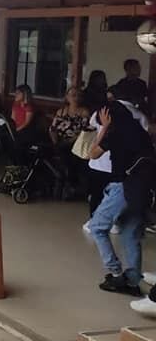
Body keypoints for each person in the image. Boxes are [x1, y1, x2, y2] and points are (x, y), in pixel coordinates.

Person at [87, 101, 155, 297]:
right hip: (141, 190)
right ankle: (133, 281)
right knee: (129, 234)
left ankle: (116, 273)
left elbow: (91, 154)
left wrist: (105, 128)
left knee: (97, 227)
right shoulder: (139, 132)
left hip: (122, 187)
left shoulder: (115, 133)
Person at [49, 87, 90, 191]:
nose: (76, 98)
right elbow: (53, 129)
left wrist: (71, 140)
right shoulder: (61, 111)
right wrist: (55, 140)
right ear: (67, 97)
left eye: (78, 96)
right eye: (73, 95)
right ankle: (62, 180)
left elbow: (84, 131)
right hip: (59, 141)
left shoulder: (84, 112)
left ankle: (68, 182)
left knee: (66, 153)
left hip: (75, 142)